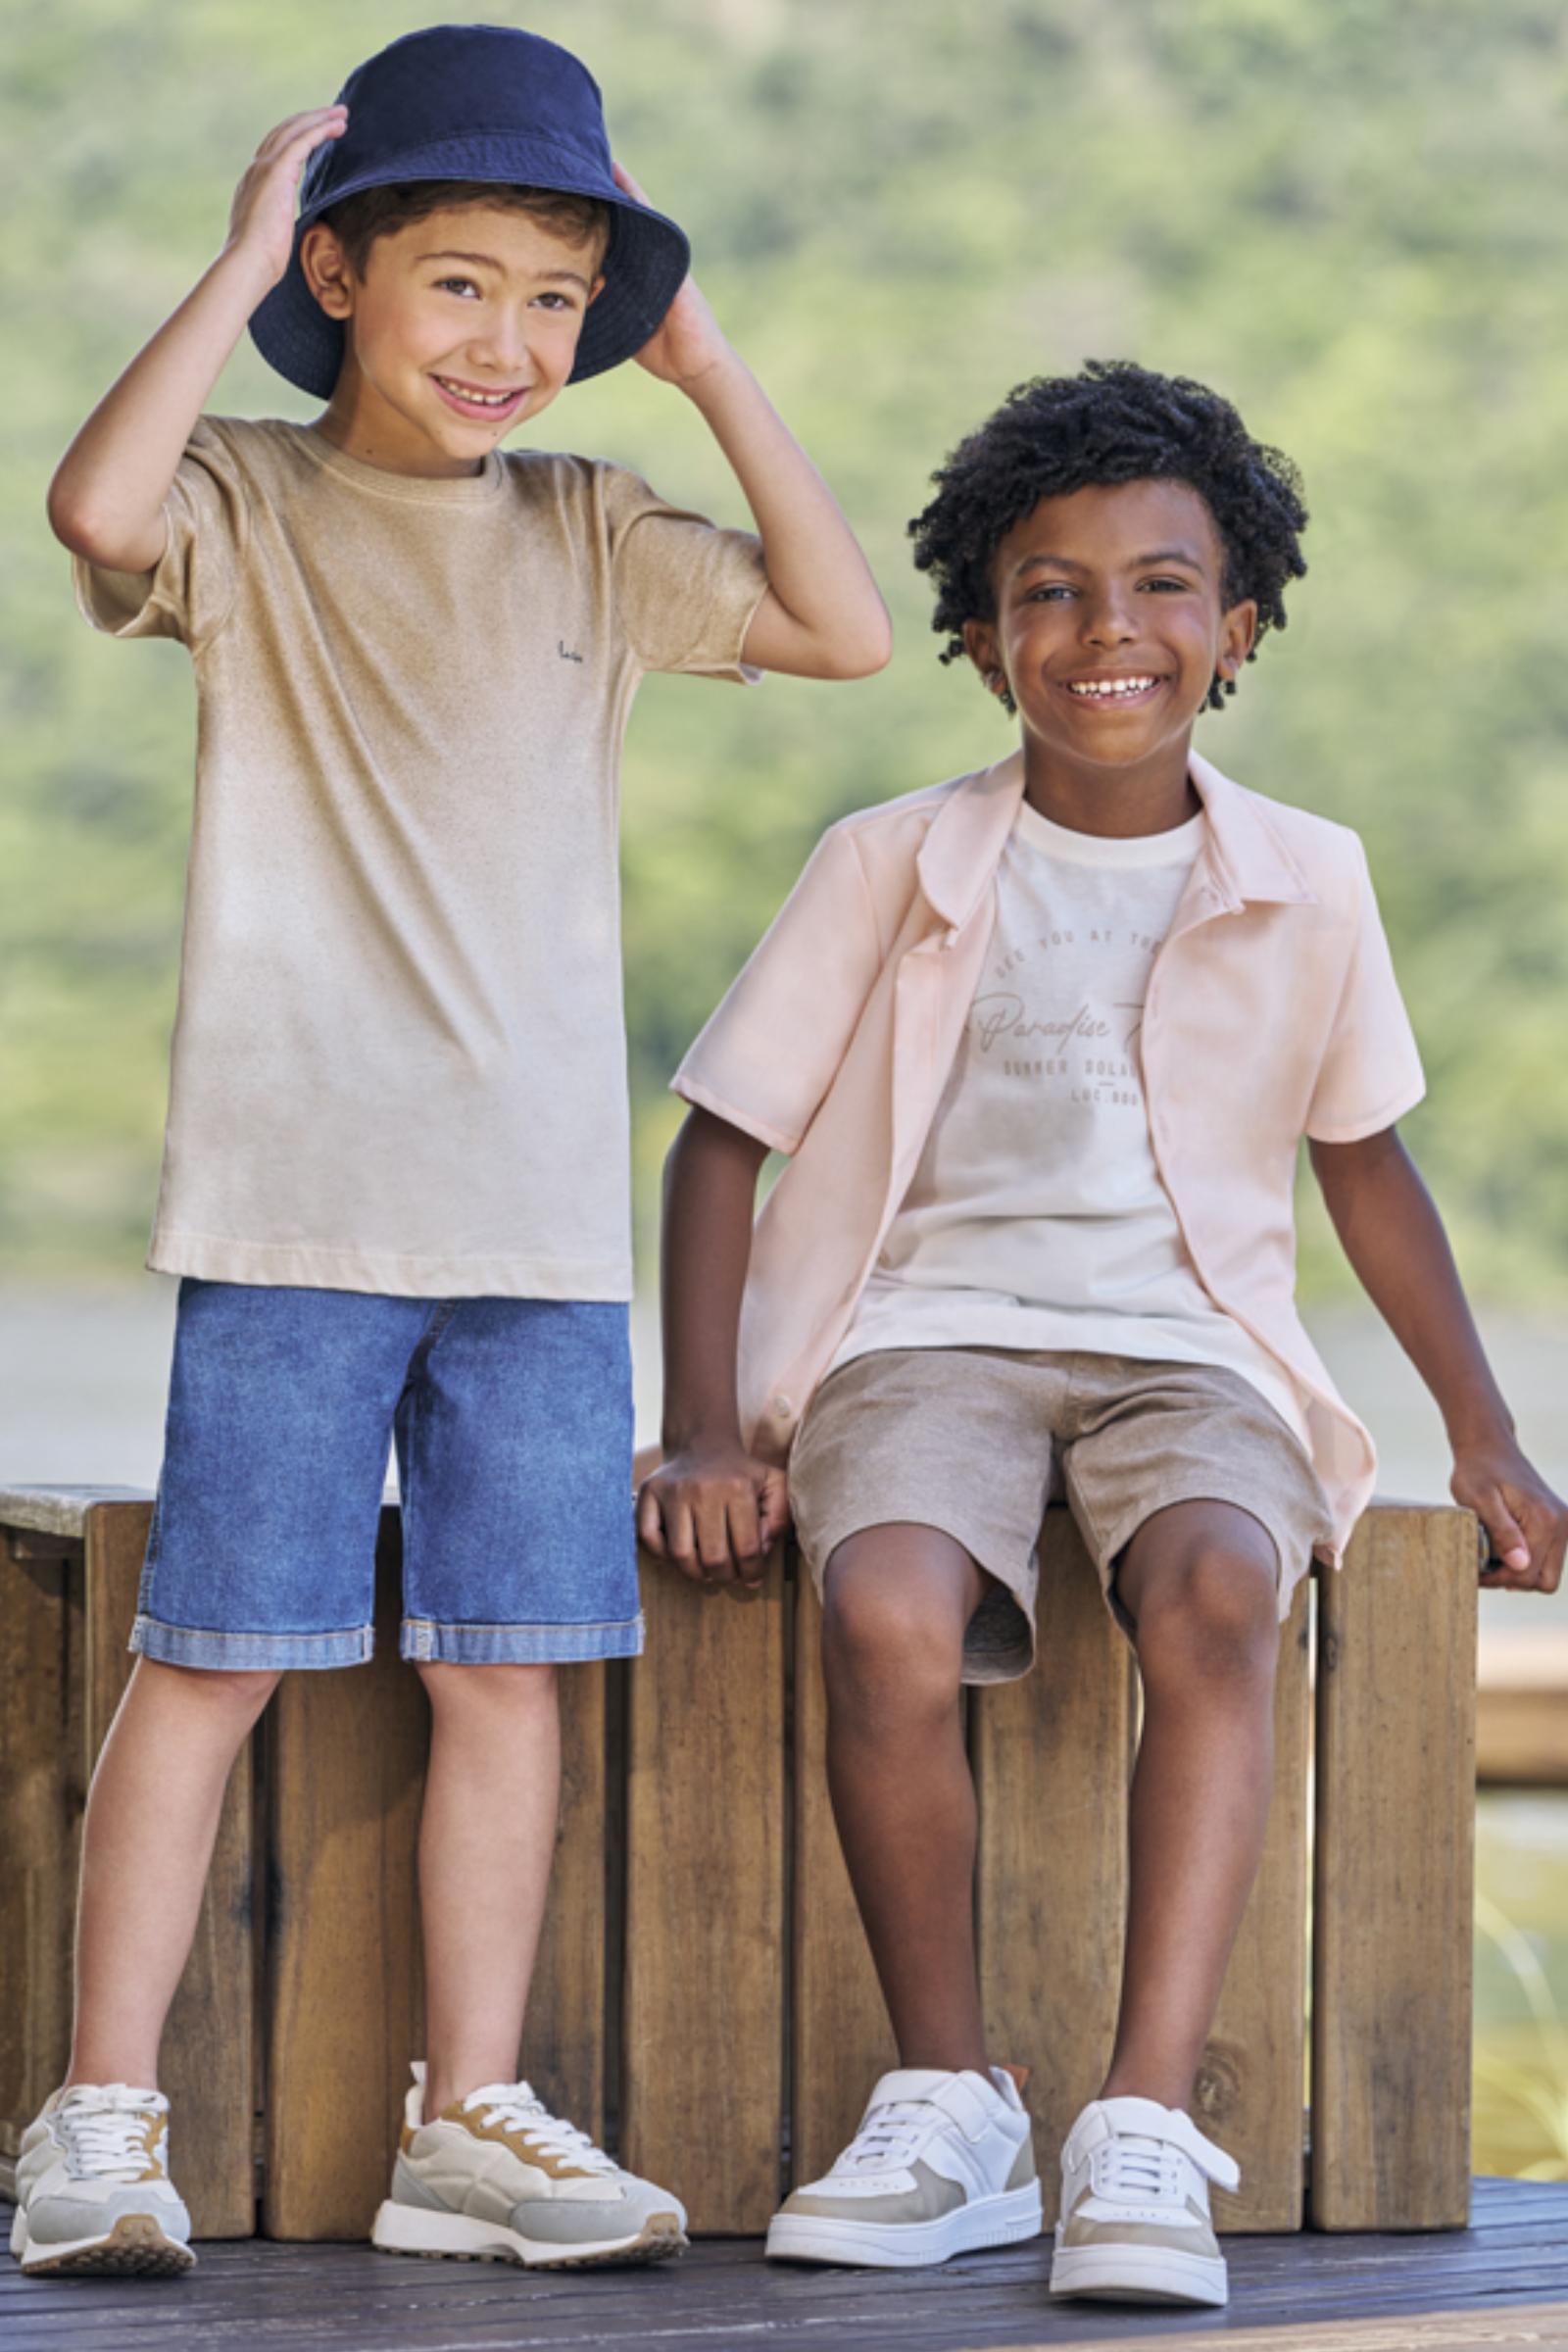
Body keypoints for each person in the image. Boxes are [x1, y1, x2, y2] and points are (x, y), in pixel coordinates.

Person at [17, 22, 889, 2282]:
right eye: (457, 285)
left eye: (556, 296)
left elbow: (842, 625)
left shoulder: (594, 525)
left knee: (510, 1668)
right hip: (298, 1204)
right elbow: (92, 513)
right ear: (342, 277)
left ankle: (465, 2120)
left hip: (534, 1234)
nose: (512, 340)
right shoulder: (243, 494)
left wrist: (702, 370)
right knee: (213, 1653)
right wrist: (228, 270)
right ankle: (97, 2123)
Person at [641, 361, 1567, 2308]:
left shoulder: (1304, 878)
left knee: (1223, 1583)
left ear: (1235, 631)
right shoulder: (887, 859)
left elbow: (1364, 1171)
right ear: (976, 637)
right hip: (920, 1334)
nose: (1103, 629)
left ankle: (1138, 2123)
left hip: (1190, 1345)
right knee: (883, 1596)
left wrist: (1480, 1438)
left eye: (1159, 586)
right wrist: (708, 1429)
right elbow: (720, 1147)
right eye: (1046, 590)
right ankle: (950, 2099)